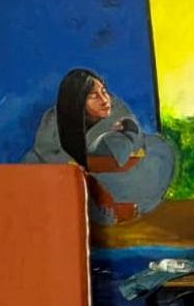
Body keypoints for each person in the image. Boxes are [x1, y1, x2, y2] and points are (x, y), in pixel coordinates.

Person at [24, 67, 176, 225]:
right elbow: (49, 155)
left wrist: (112, 155)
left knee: (157, 151)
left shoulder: (116, 110)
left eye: (104, 92)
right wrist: (89, 169)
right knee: (38, 169)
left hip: (118, 174)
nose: (104, 100)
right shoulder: (54, 119)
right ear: (77, 101)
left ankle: (115, 209)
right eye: (94, 96)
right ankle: (108, 212)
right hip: (75, 176)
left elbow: (130, 147)